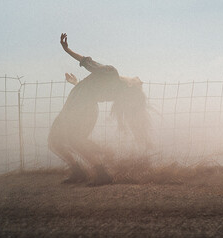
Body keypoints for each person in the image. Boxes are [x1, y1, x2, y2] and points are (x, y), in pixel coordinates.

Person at [48, 33, 152, 185]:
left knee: (68, 140)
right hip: (79, 108)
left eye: (136, 81)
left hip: (80, 110)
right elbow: (89, 91)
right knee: (58, 141)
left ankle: (101, 172)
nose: (137, 78)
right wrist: (76, 82)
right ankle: (81, 170)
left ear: (130, 85)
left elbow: (86, 62)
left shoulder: (111, 73)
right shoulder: (114, 89)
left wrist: (67, 50)